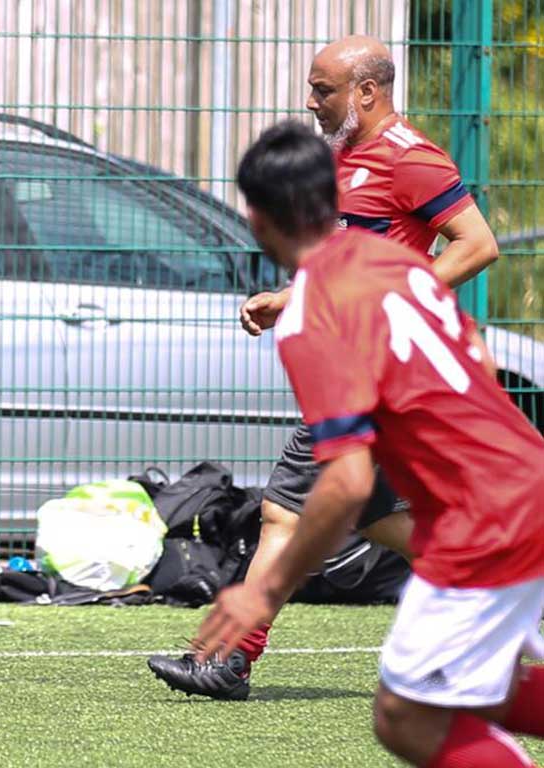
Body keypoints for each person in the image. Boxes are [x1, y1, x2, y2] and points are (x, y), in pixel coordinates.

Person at [148, 34, 500, 701]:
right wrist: (289, 299)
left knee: (283, 511)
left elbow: (477, 244)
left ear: (367, 91)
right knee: (377, 520)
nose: (311, 102)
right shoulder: (345, 160)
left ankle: (228, 659)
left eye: (323, 90)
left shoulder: (410, 159)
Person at [193, 120, 544, 766]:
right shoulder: (397, 261)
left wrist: (263, 592)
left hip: (483, 516)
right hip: (525, 479)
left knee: (405, 716)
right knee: (474, 689)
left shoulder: (310, 314)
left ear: (258, 221)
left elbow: (348, 483)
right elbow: (478, 356)